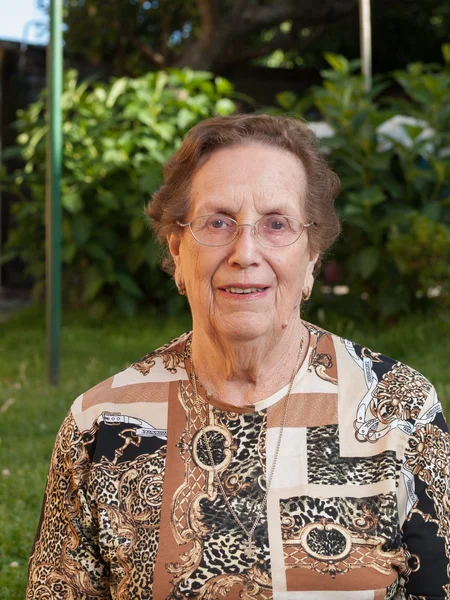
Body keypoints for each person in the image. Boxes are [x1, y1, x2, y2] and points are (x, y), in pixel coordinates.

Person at [27, 114, 449, 599]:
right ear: (178, 249)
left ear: (311, 256)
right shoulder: (101, 427)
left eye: (276, 223)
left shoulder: (398, 409)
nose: (245, 251)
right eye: (218, 222)